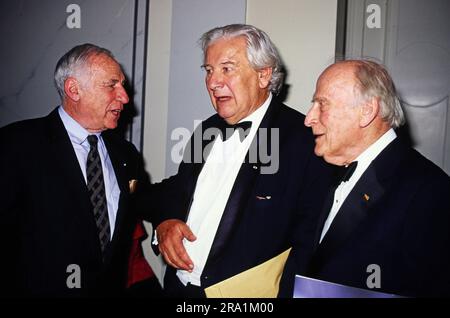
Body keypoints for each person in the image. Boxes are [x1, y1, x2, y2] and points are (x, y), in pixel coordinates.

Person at [150, 24, 332, 297]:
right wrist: (165, 222)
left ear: (263, 75)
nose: (213, 82)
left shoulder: (303, 139)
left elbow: (310, 240)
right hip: (179, 290)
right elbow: (180, 190)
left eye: (227, 68)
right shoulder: (207, 130)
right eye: (209, 70)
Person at [0, 43, 161, 297]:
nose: (125, 97)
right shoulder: (15, 146)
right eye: (112, 85)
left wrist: (166, 222)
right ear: (74, 89)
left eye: (122, 86)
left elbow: (147, 202)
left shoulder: (125, 154)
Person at [279, 60, 450, 297]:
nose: (309, 119)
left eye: (322, 104)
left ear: (367, 111)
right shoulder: (327, 169)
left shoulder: (430, 191)